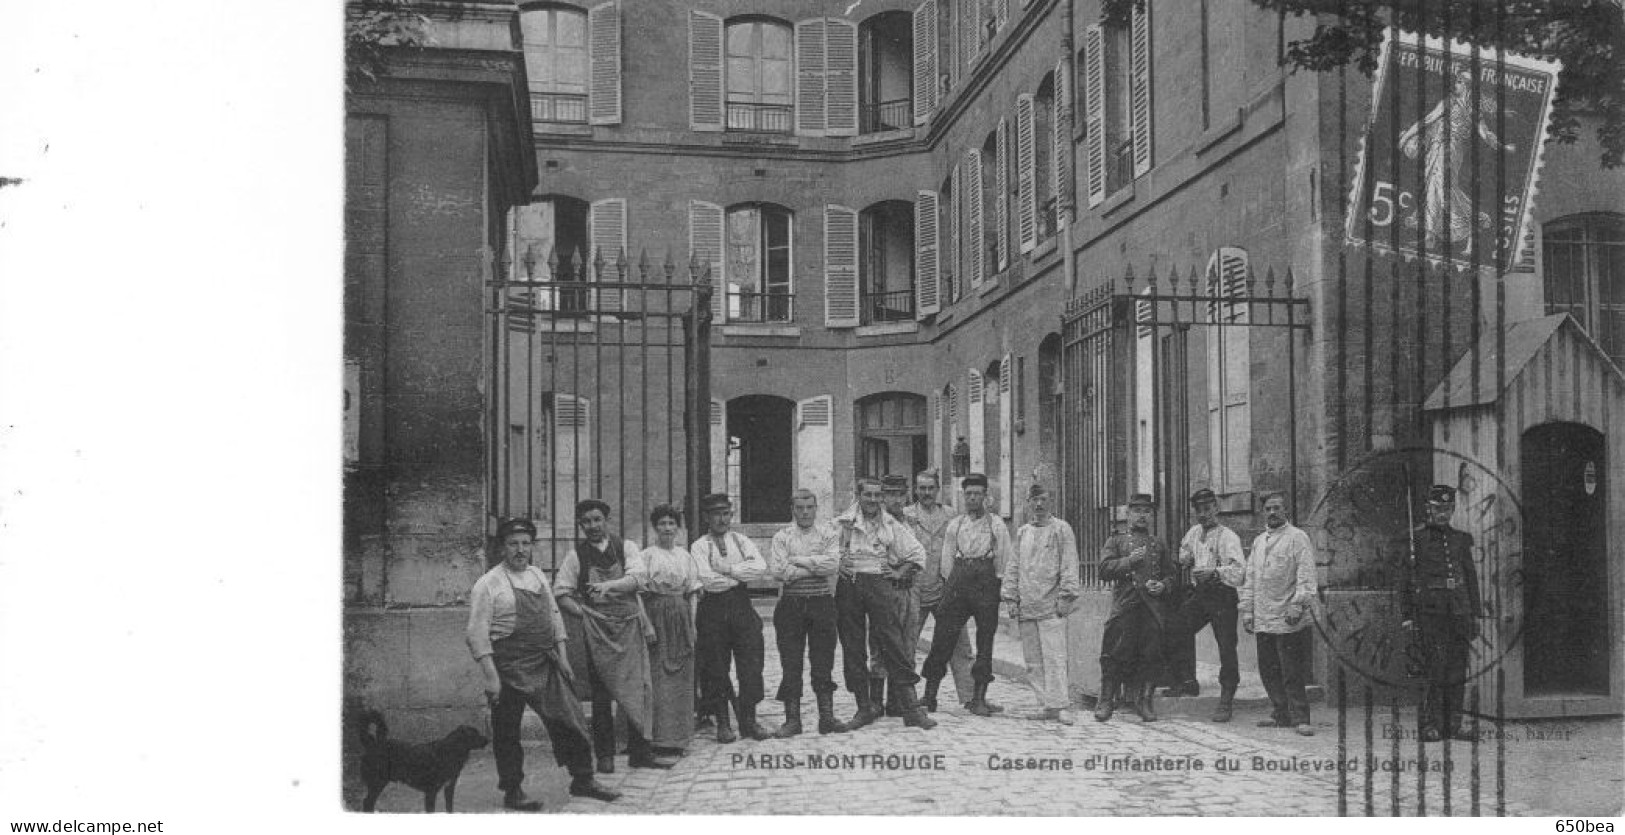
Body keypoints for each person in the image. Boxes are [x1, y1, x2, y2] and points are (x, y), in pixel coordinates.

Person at [465, 519, 620, 810]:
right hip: (507, 666)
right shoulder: (488, 584)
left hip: (544, 661)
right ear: (502, 548)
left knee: (570, 718)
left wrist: (562, 656)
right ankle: (513, 791)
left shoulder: (537, 575)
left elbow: (553, 614)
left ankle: (583, 779)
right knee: (507, 732)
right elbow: (476, 634)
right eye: (513, 544)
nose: (520, 550)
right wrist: (491, 677)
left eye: (525, 544)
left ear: (532, 547)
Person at [554, 499, 673, 772]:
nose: (593, 526)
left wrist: (607, 587)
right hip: (598, 632)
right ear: (580, 525)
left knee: (638, 689)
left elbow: (637, 579)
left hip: (629, 626)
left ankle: (640, 752)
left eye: (597, 520)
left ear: (606, 521)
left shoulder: (626, 547)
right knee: (601, 692)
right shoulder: (575, 556)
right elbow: (561, 593)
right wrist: (584, 615)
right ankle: (605, 754)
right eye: (586, 521)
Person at [834, 476, 936, 730]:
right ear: (859, 495)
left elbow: (917, 553)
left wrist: (899, 572)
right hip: (850, 584)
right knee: (853, 646)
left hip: (879, 584)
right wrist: (836, 561)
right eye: (868, 495)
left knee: (893, 643)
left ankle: (911, 709)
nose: (873, 500)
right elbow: (823, 548)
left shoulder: (890, 523)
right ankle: (864, 708)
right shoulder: (843, 522)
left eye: (877, 496)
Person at [1395, 484, 1482, 743]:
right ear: (1428, 509)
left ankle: (1454, 724)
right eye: (1437, 509)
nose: (1443, 514)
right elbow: (1404, 581)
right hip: (1429, 613)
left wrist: (1475, 612)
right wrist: (1407, 615)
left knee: (1457, 669)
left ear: (1453, 509)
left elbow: (1470, 577)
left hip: (1458, 610)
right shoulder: (1416, 540)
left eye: (1447, 509)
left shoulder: (1460, 539)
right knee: (1433, 669)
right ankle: (1429, 724)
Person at [920, 473, 1013, 717]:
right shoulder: (956, 524)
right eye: (968, 494)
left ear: (985, 496)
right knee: (942, 638)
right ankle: (929, 696)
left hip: (985, 582)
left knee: (985, 642)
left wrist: (999, 588)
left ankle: (978, 698)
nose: (972, 498)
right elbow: (946, 561)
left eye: (977, 494)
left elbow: (1005, 559)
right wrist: (953, 586)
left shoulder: (996, 525)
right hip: (959, 582)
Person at [689, 492, 771, 742]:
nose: (721, 519)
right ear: (706, 517)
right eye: (716, 514)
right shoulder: (699, 545)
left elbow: (759, 568)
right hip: (713, 611)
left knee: (751, 665)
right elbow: (706, 579)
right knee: (715, 667)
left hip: (741, 607)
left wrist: (729, 570)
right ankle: (723, 723)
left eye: (725, 513)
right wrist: (737, 576)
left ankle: (749, 721)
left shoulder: (741, 540)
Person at [767, 488, 847, 736]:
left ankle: (827, 717)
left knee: (823, 661)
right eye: (799, 508)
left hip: (821, 602)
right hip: (791, 605)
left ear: (815, 509)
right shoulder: (782, 537)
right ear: (793, 510)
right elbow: (779, 571)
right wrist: (815, 563)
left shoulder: (828, 534)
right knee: (791, 662)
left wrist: (799, 562)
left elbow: (833, 564)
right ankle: (793, 720)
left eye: (809, 507)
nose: (804, 512)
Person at [1094, 492, 1177, 723]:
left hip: (1151, 607)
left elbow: (1172, 575)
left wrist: (1162, 585)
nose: (1142, 516)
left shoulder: (1158, 543)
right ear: (1128, 514)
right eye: (1137, 511)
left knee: (1151, 653)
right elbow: (1103, 569)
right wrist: (1129, 561)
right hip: (1125, 604)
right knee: (1114, 651)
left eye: (1147, 512)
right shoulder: (1116, 541)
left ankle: (1145, 700)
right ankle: (1106, 699)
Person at [1166, 487, 1247, 721]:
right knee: (1177, 627)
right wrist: (1186, 557)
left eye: (1207, 509)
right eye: (1198, 510)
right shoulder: (1194, 532)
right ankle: (1187, 681)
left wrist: (1214, 572)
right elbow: (1184, 553)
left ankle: (1227, 696)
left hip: (1222, 595)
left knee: (1226, 646)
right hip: (1201, 595)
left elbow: (1239, 572)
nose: (1203, 514)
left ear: (1216, 508)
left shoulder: (1228, 536)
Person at [1240, 491, 1318, 737]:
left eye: (1277, 508)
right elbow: (1250, 577)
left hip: (1287, 615)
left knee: (1291, 669)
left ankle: (1300, 716)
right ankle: (1280, 713)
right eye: (1268, 509)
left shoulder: (1298, 538)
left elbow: (1306, 574)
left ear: (1287, 512)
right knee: (1269, 668)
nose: (1272, 512)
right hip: (1263, 615)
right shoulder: (1259, 541)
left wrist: (1298, 605)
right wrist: (1247, 611)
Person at [1004, 484, 1081, 724]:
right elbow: (1013, 565)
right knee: (1033, 661)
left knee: (1055, 657)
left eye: (1043, 499)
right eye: (1034, 499)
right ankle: (1045, 704)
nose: (1039, 504)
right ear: (1028, 502)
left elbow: (1069, 563)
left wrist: (1066, 596)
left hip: (1051, 606)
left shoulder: (1061, 529)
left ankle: (1061, 705)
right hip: (1027, 605)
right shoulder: (1023, 532)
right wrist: (1011, 597)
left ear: (1051, 501)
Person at [630, 504, 704, 756]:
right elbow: (637, 594)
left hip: (681, 616)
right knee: (658, 676)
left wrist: (692, 624)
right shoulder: (647, 556)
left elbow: (692, 592)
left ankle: (679, 737)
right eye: (662, 524)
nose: (667, 529)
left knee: (682, 677)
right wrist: (646, 624)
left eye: (672, 524)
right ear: (655, 528)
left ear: (678, 528)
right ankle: (658, 738)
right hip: (656, 614)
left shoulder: (685, 556)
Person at [903, 471, 977, 711]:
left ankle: (970, 696)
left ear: (937, 490)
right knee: (908, 645)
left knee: (960, 645)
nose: (926, 493)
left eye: (930, 488)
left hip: (945, 588)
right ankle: (907, 697)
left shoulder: (952, 516)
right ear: (916, 490)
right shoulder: (905, 517)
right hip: (914, 589)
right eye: (922, 488)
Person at [871, 473, 922, 716]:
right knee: (881, 646)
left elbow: (919, 555)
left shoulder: (912, 522)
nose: (896, 500)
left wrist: (905, 571)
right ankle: (874, 702)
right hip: (885, 591)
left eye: (900, 494)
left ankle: (897, 700)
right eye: (890, 494)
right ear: (882, 497)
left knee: (907, 645)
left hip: (910, 590)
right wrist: (896, 571)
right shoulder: (878, 523)